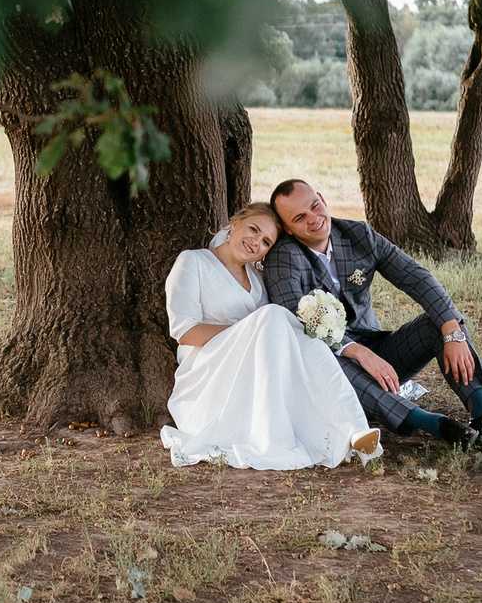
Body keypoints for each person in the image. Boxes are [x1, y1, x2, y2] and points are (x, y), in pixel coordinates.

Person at [261, 178, 482, 448]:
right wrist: (359, 353)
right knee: (328, 359)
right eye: (299, 218)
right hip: (324, 368)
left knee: (438, 323)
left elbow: (415, 277)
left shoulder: (358, 235)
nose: (313, 219)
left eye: (314, 206)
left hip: (378, 349)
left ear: (322, 199)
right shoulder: (283, 258)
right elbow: (298, 325)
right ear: (287, 228)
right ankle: (436, 425)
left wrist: (453, 332)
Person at [160, 201, 385, 470]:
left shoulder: (257, 277)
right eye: (253, 230)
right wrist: (251, 333)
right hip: (207, 369)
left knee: (307, 337)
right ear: (235, 224)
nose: (256, 242)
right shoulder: (193, 262)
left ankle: (355, 428)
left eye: (266, 241)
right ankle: (273, 438)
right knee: (273, 317)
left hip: (253, 369)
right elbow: (185, 332)